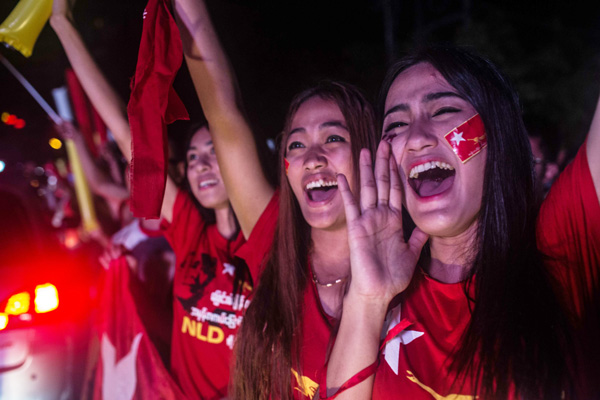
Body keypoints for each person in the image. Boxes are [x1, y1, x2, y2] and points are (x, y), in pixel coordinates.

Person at [324, 45, 599, 400]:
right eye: (396, 124)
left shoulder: (559, 246)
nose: (417, 138)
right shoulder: (374, 284)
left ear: (497, 133)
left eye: (444, 110)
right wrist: (367, 299)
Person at [51, 1, 279, 398]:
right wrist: (61, 24)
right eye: (193, 158)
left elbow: (226, 110)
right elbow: (127, 138)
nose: (203, 165)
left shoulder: (273, 242)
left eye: (215, 153)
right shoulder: (191, 231)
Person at [172, 1, 378, 399]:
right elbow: (223, 114)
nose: (313, 158)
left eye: (334, 138)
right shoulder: (273, 244)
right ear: (285, 164)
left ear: (367, 149)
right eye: (297, 144)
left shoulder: (412, 269)